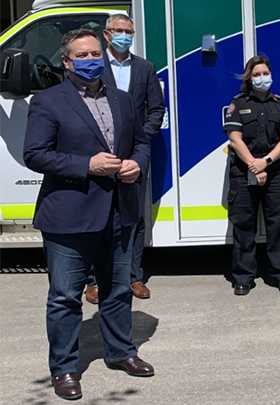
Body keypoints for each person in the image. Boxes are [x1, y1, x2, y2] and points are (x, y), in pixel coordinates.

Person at [23, 29, 154, 401]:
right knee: (65, 297)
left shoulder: (124, 100)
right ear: (66, 62)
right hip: (70, 214)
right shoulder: (48, 101)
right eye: (82, 55)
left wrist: (135, 165)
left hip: (119, 210)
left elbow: (142, 143)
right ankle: (64, 368)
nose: (91, 59)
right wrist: (88, 165)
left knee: (117, 290)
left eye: (96, 53)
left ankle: (122, 351)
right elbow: (34, 154)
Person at [84, 14, 165, 304]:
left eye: (128, 31)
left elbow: (156, 109)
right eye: (119, 31)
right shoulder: (94, 64)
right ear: (107, 35)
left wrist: (139, 139)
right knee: (97, 215)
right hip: (98, 154)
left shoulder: (145, 68)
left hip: (133, 156)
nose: (124, 36)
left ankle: (133, 276)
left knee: (134, 216)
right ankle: (93, 282)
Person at [223, 55, 280, 296]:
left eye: (265, 73)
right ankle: (243, 277)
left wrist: (264, 162)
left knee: (278, 224)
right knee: (244, 225)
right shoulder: (237, 103)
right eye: (256, 74)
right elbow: (234, 138)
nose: (262, 78)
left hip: (275, 171)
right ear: (249, 78)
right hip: (243, 171)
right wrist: (254, 165)